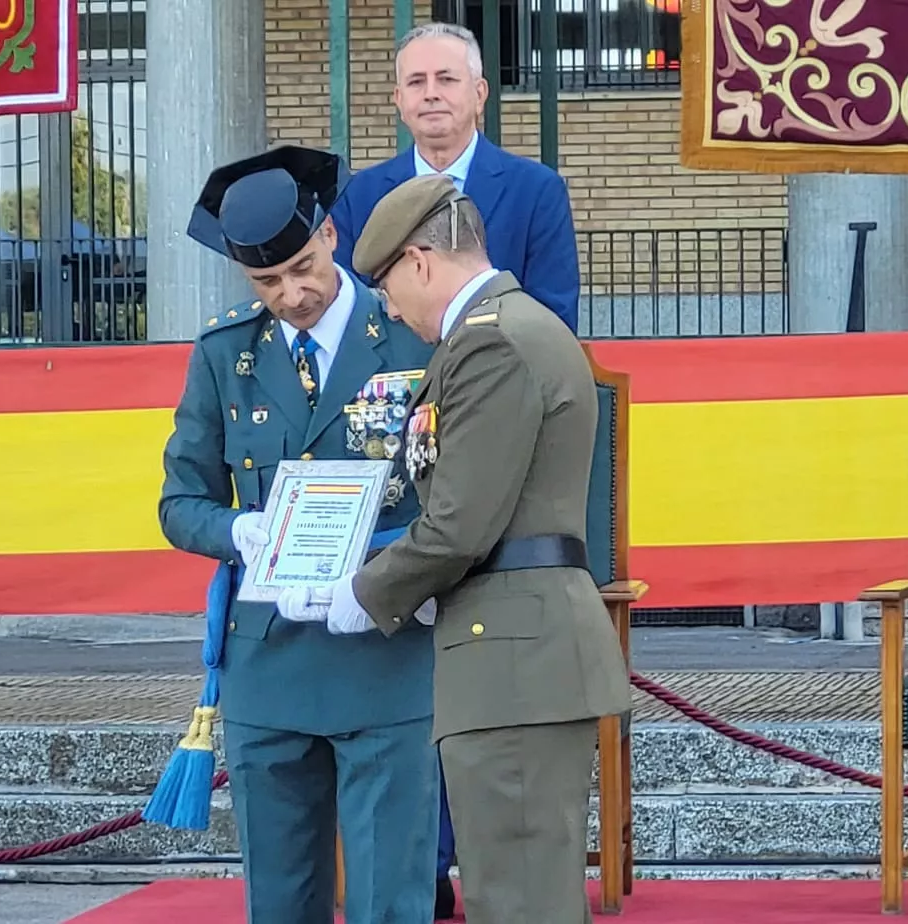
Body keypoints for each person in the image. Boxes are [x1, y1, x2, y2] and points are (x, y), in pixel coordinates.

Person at [277, 173, 633, 924]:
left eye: (388, 288)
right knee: (516, 889)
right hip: (510, 652)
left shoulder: (491, 342)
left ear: (420, 262)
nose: (391, 309)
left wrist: (361, 594)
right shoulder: (502, 331)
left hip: (513, 659)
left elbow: (460, 525)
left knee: (520, 899)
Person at [159, 144, 441, 924]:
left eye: (303, 268)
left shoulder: (411, 337)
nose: (292, 294)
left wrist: (399, 565)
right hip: (268, 661)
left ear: (332, 239)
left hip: (384, 648)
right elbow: (180, 504)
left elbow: (458, 491)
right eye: (267, 283)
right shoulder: (227, 355)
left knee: (392, 896)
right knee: (281, 900)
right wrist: (240, 530)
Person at [331, 21, 581, 333]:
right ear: (399, 101)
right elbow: (347, 312)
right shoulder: (358, 196)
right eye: (416, 82)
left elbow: (553, 318)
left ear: (479, 94)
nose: (431, 94)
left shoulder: (536, 191)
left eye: (446, 79)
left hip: (499, 375)